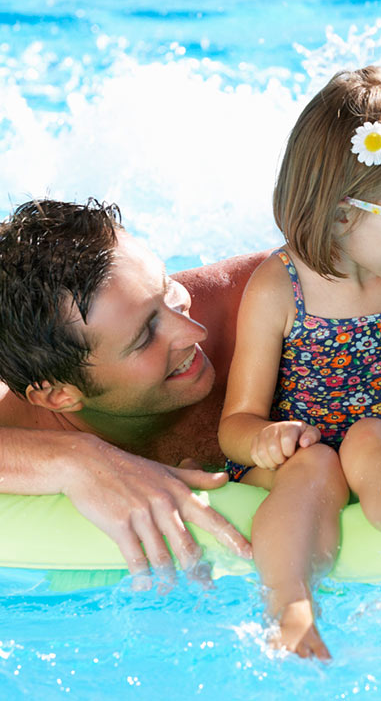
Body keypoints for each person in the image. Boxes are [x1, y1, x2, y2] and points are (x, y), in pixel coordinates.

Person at [218, 66, 381, 660]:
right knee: (315, 466)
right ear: (341, 215)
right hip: (292, 469)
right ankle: (290, 609)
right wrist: (265, 441)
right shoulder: (280, 290)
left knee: (369, 436)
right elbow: (235, 424)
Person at [0, 198, 265, 580]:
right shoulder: (21, 423)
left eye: (168, 287)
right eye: (145, 336)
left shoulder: (270, 304)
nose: (194, 333)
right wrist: (76, 460)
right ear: (59, 396)